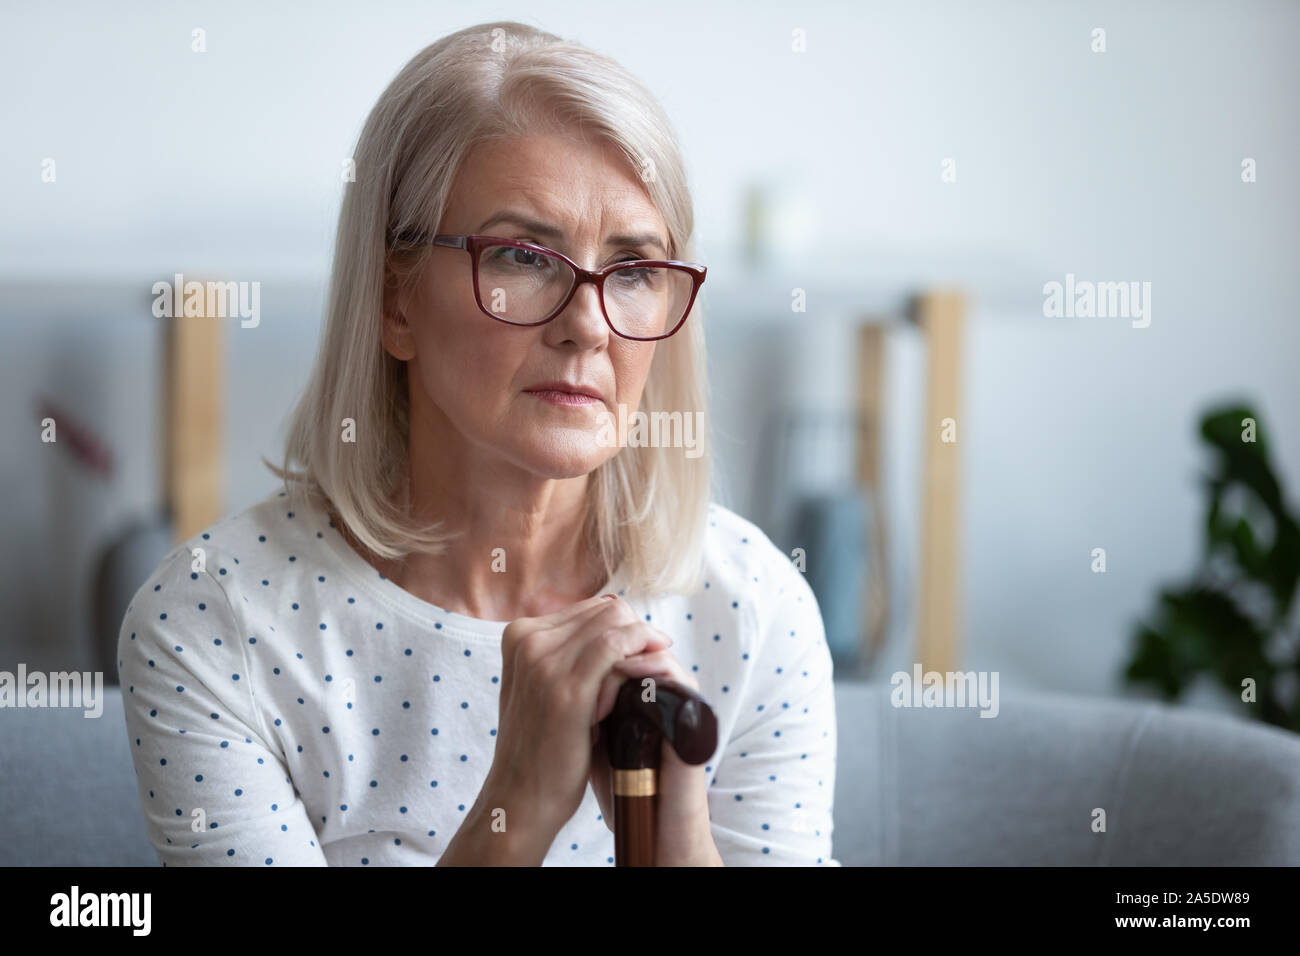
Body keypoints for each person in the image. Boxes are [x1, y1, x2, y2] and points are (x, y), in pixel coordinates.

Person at [117, 20, 838, 866]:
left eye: (635, 270)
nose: (586, 326)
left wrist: (669, 834)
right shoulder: (213, 626)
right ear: (395, 300)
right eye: (525, 257)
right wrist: (519, 803)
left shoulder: (755, 609)